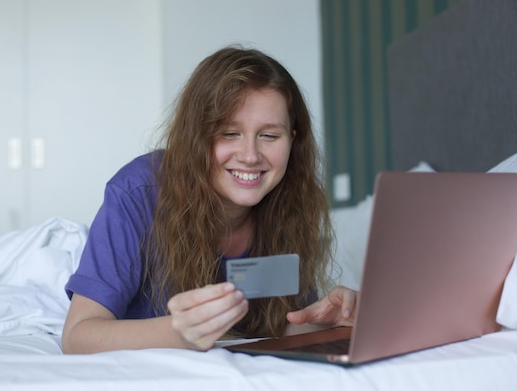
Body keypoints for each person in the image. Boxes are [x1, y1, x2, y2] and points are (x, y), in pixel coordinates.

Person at [62, 46, 357, 354]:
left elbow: (276, 324)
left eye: (269, 136)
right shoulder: (139, 191)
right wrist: (177, 332)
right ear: (195, 137)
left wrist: (334, 322)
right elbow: (77, 336)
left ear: (293, 140)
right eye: (229, 133)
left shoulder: (289, 205)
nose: (250, 156)